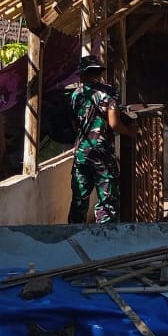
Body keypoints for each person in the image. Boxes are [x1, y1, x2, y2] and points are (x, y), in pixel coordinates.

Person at [68, 54, 136, 224]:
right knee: (107, 200)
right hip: (102, 154)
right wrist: (129, 131)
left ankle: (74, 233)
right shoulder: (109, 92)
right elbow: (114, 123)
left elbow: (74, 123)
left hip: (81, 154)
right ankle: (105, 235)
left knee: (79, 199)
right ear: (99, 73)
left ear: (82, 75)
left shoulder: (76, 94)